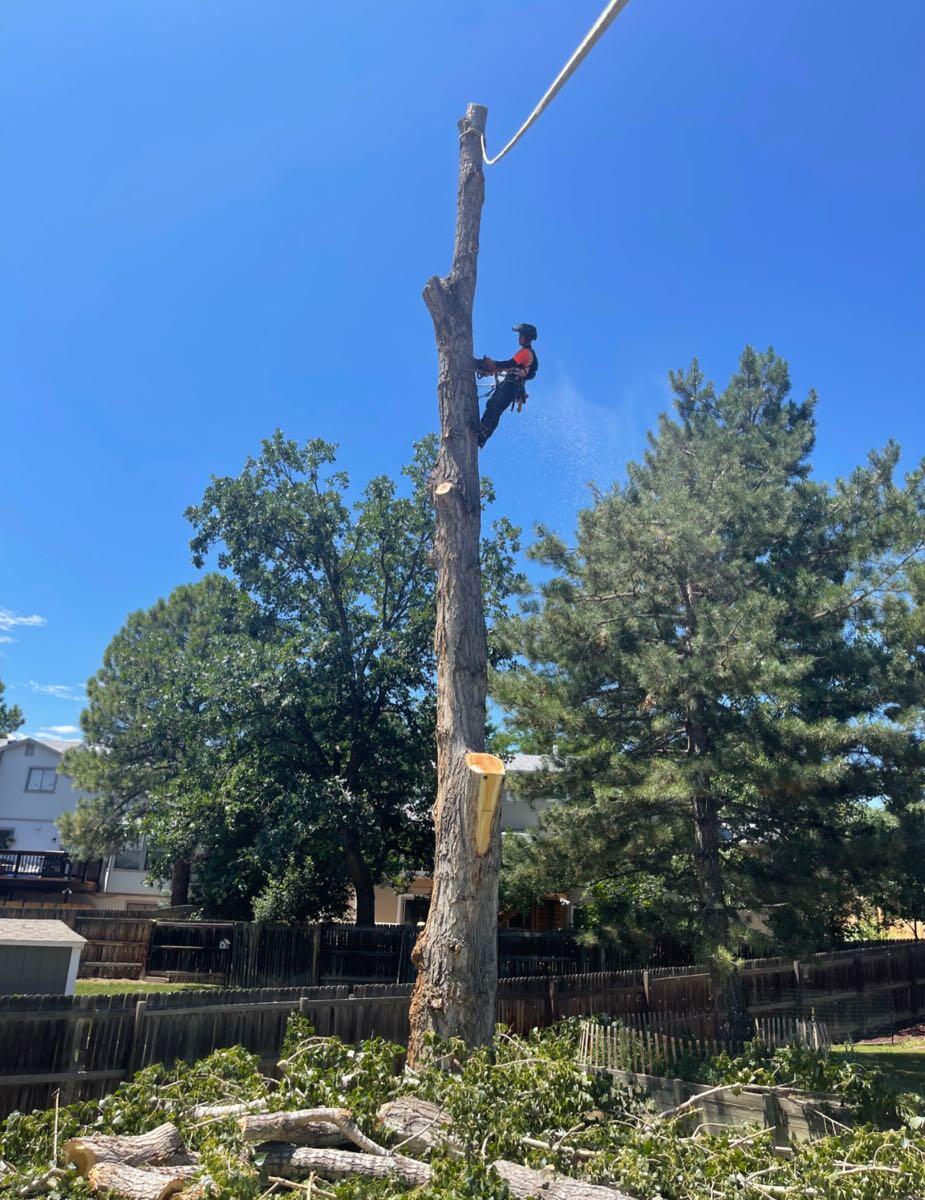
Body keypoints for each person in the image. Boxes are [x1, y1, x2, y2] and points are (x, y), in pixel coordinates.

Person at [474, 322, 538, 447]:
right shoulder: (527, 353)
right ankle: (482, 435)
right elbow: (509, 368)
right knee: (494, 406)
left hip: (511, 385)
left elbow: (508, 364)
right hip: (512, 386)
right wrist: (493, 369)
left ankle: (483, 432)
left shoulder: (526, 352)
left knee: (494, 405)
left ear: (527, 337)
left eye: (521, 335)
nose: (519, 337)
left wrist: (492, 364)